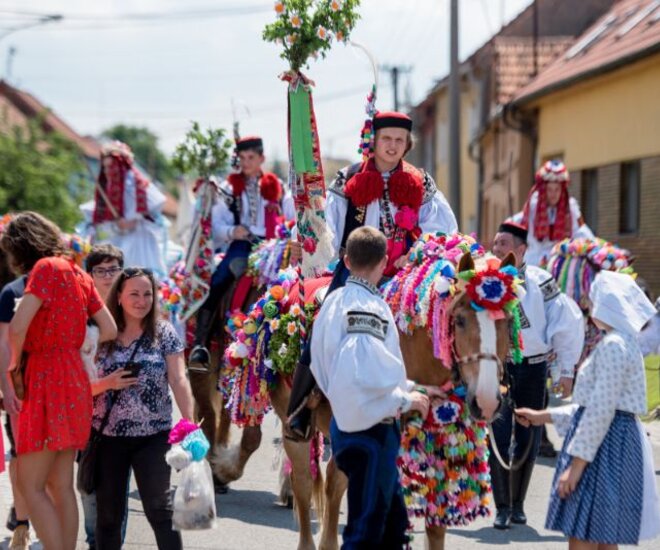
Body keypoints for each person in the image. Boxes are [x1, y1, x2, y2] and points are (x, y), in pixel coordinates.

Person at [286, 111, 458, 440]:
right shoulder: (347, 178)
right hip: (357, 269)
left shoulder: (422, 182)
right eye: (386, 139)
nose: (392, 146)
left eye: (399, 140)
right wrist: (311, 247)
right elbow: (329, 228)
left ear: (407, 144)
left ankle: (452, 395)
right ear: (373, 142)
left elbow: (444, 230)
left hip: (407, 273)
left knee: (444, 316)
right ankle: (300, 407)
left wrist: (418, 252)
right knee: (321, 317)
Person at [311, 226, 438, 548]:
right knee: (366, 532)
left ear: (346, 260)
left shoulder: (337, 299)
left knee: (393, 528)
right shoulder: (366, 307)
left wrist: (413, 385)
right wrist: (404, 399)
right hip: (369, 430)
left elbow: (341, 365)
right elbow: (359, 372)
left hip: (352, 424)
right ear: (384, 262)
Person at [516, 270, 660, 548]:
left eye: (593, 301)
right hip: (614, 444)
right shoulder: (623, 343)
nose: (588, 306)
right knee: (605, 536)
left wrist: (577, 466)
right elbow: (596, 407)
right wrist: (541, 417)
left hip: (603, 449)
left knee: (585, 536)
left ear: (608, 305)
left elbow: (600, 411)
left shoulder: (614, 347)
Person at [0, 212, 117, 550]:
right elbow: (108, 329)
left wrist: (15, 366)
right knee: (60, 485)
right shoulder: (78, 273)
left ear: (22, 246)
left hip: (45, 376)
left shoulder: (45, 269)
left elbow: (18, 327)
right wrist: (74, 344)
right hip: (74, 378)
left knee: (29, 482)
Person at [489, 221, 584, 530]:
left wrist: (566, 370)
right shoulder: (486, 278)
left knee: (529, 434)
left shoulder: (541, 281)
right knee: (499, 435)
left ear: (520, 249)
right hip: (501, 366)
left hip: (534, 366)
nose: (496, 248)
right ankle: (501, 507)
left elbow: (565, 323)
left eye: (503, 243)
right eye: (495, 243)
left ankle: (518, 504)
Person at [93, 267, 195, 549]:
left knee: (160, 511)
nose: (141, 300)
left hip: (154, 437)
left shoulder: (164, 333)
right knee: (109, 517)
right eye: (134, 294)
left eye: (147, 294)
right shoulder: (100, 333)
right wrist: (108, 383)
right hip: (107, 437)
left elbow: (178, 378)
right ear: (119, 297)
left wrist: (190, 424)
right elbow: (81, 385)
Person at [188, 135, 295, 372]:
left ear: (261, 158)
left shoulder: (277, 186)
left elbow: (291, 213)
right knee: (218, 280)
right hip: (242, 245)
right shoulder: (228, 189)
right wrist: (232, 230)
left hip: (274, 246)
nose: (246, 163)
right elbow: (216, 226)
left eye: (251, 157)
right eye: (242, 158)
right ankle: (201, 344)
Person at [78, 244, 130, 550]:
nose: (108, 276)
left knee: (116, 485)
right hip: (85, 411)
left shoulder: (136, 305)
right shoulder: (80, 309)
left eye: (114, 269)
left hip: (124, 416)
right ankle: (93, 540)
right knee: (87, 485)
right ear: (90, 275)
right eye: (101, 270)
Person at [92, 141, 167, 276]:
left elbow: (156, 204)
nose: (107, 171)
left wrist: (134, 219)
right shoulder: (107, 187)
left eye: (110, 167)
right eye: (105, 168)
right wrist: (117, 226)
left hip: (140, 239)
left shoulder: (135, 182)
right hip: (119, 239)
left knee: (138, 274)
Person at [0, 230, 30, 549]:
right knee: (19, 452)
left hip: (19, 373)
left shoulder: (15, 286)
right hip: (12, 375)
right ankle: (22, 514)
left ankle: (24, 511)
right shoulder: (10, 291)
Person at [513, 160, 594, 267]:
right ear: (544, 190)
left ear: (562, 190)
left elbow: (581, 231)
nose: (553, 194)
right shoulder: (533, 207)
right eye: (550, 190)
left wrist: (595, 245)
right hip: (534, 261)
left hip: (558, 262)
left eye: (557, 190)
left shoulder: (570, 209)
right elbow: (520, 224)